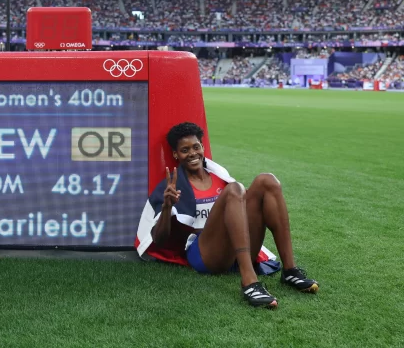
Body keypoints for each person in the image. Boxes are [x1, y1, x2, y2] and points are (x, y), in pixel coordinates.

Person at [136, 122, 318, 309]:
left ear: (203, 147)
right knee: (235, 189)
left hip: (236, 250)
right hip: (205, 253)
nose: (192, 153)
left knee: (267, 180)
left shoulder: (219, 176)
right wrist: (167, 207)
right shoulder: (173, 186)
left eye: (196, 147)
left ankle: (290, 270)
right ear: (176, 154)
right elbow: (159, 239)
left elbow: (246, 208)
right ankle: (249, 282)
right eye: (184, 150)